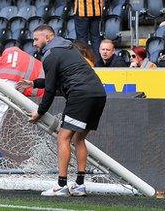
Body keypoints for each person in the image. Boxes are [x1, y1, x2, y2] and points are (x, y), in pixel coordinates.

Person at [27, 25, 106, 197]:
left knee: (63, 137)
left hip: (80, 94)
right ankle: (79, 185)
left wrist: (39, 112)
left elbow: (49, 89)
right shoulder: (69, 48)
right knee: (79, 139)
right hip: (98, 93)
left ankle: (61, 185)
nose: (34, 43)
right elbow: (56, 82)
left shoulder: (50, 55)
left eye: (36, 39)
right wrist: (33, 83)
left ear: (48, 37)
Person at [0, 48, 44, 145]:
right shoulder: (10, 50)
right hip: (51, 80)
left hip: (46, 96)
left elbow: (1, 106)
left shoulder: (6, 76)